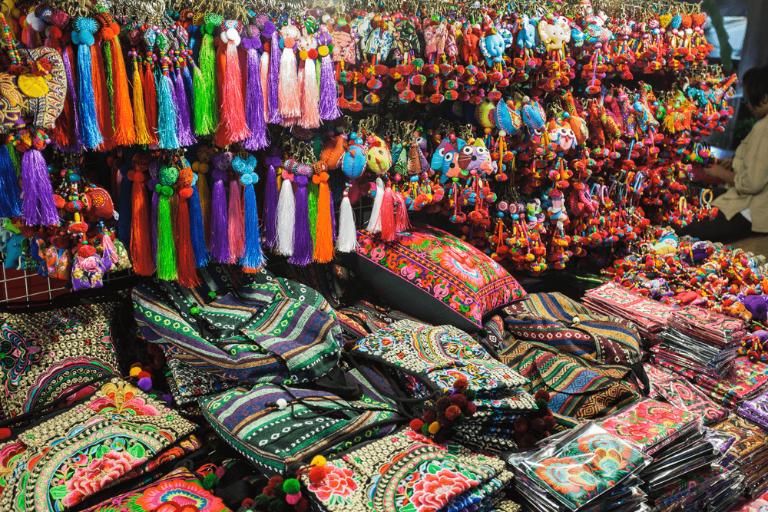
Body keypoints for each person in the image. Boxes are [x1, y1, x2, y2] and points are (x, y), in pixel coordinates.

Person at [681, 65, 768, 243]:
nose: (746, 103)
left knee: (683, 225)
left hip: (748, 212)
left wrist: (720, 173)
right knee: (695, 199)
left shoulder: (763, 128)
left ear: (765, 98)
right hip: (747, 204)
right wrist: (735, 163)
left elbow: (752, 183)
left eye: (748, 98)